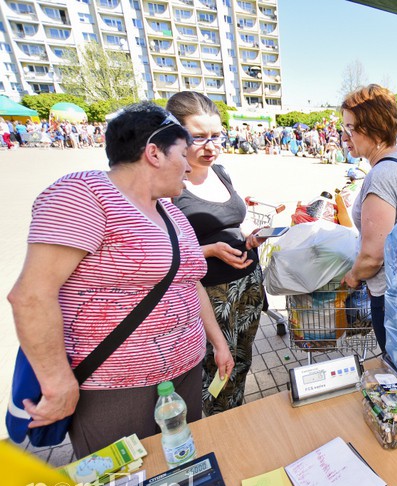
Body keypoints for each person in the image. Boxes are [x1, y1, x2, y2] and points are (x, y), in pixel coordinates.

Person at [7, 102, 233, 458]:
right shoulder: (84, 195)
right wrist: (56, 381)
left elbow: (189, 282)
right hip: (115, 386)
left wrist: (216, 341)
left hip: (183, 372)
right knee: (124, 484)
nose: (190, 166)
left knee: (181, 467)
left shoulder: (170, 210)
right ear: (154, 153)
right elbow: (32, 295)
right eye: (183, 154)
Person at [166, 91, 266, 416]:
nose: (210, 146)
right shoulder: (169, 185)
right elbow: (165, 254)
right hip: (211, 295)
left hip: (248, 283)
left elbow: (234, 219)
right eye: (198, 137)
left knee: (241, 361)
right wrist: (210, 250)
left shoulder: (221, 171)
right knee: (216, 367)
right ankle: (216, 427)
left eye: (216, 136)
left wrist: (250, 236)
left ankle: (235, 415)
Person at [341, 84, 397, 353]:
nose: (345, 137)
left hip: (392, 297)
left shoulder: (383, 175)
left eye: (349, 128)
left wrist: (353, 277)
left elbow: (372, 257)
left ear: (372, 129)